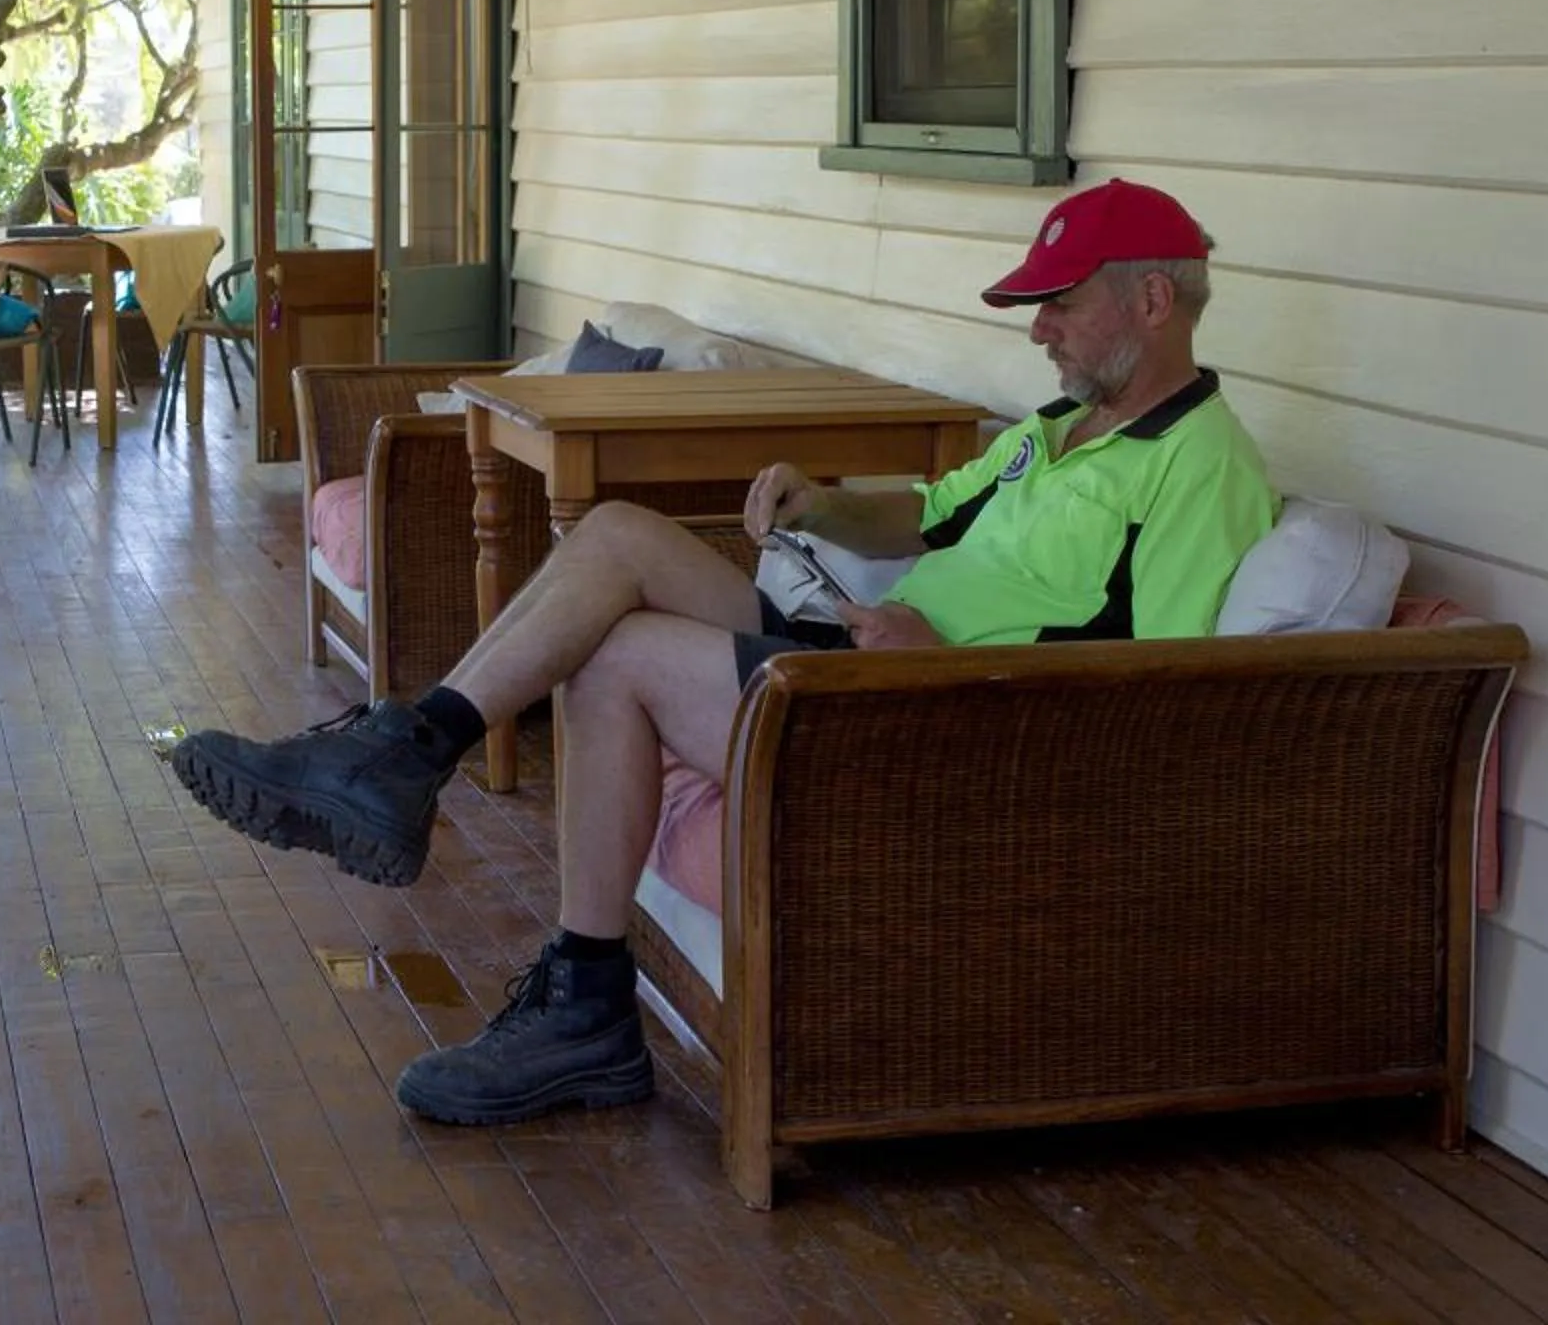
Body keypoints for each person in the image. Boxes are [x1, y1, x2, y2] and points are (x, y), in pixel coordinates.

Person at [170, 178, 1278, 1127]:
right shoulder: (1058, 427)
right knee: (615, 531)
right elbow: (933, 515)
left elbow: (1160, 686)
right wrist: (828, 501)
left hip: (946, 717)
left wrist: (939, 654)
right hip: (867, 655)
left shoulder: (1204, 468)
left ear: (1152, 298)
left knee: (622, 658)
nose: (1040, 328)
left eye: (1062, 304)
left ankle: (585, 1001)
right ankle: (407, 744)